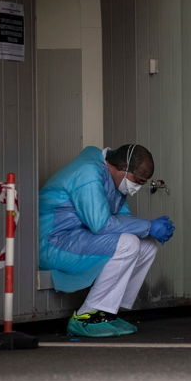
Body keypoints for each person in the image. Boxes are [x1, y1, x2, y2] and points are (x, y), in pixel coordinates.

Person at [39, 144, 175, 337]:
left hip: (77, 239)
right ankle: (87, 316)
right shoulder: (88, 174)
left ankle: (106, 313)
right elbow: (101, 224)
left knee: (147, 246)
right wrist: (148, 226)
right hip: (53, 243)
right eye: (137, 180)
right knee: (129, 243)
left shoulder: (112, 179)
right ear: (123, 167)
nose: (137, 187)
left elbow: (123, 220)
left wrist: (150, 231)